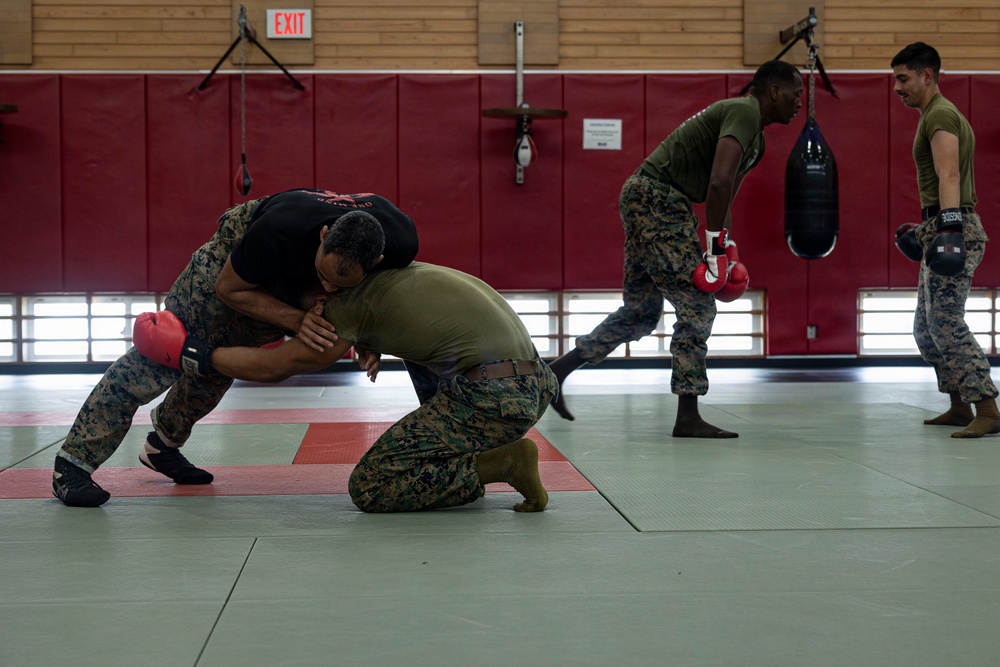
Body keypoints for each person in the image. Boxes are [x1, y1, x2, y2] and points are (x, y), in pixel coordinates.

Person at [52, 189, 419, 507]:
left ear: (379, 262)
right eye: (324, 275)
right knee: (169, 349)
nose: (328, 285)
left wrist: (368, 339)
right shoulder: (280, 230)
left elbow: (368, 300)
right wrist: (295, 320)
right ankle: (73, 465)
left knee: (220, 364)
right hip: (233, 264)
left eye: (339, 283)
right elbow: (230, 289)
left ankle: (162, 445)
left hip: (292, 276)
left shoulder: (400, 243)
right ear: (323, 234)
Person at [132, 256, 558, 514]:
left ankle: (501, 463)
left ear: (318, 295)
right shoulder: (396, 274)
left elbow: (276, 367)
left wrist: (191, 353)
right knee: (419, 357)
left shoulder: (342, 307)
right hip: (533, 382)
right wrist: (371, 340)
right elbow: (419, 327)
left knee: (371, 486)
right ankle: (472, 459)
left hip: (495, 398)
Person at [546, 60, 803, 438]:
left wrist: (725, 246)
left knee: (641, 312)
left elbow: (726, 189)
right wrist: (713, 250)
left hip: (649, 197)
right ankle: (688, 416)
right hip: (658, 199)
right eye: (797, 94)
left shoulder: (757, 140)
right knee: (698, 305)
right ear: (775, 91)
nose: (800, 103)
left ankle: (557, 372)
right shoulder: (743, 112)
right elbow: (715, 183)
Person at [890, 42, 998, 438]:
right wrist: (926, 230)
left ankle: (987, 408)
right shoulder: (932, 115)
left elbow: (949, 175)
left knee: (944, 320)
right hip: (940, 224)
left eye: (903, 79)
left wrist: (949, 230)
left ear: (927, 75)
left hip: (955, 226)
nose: (898, 88)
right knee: (924, 326)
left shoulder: (940, 115)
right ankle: (958, 405)